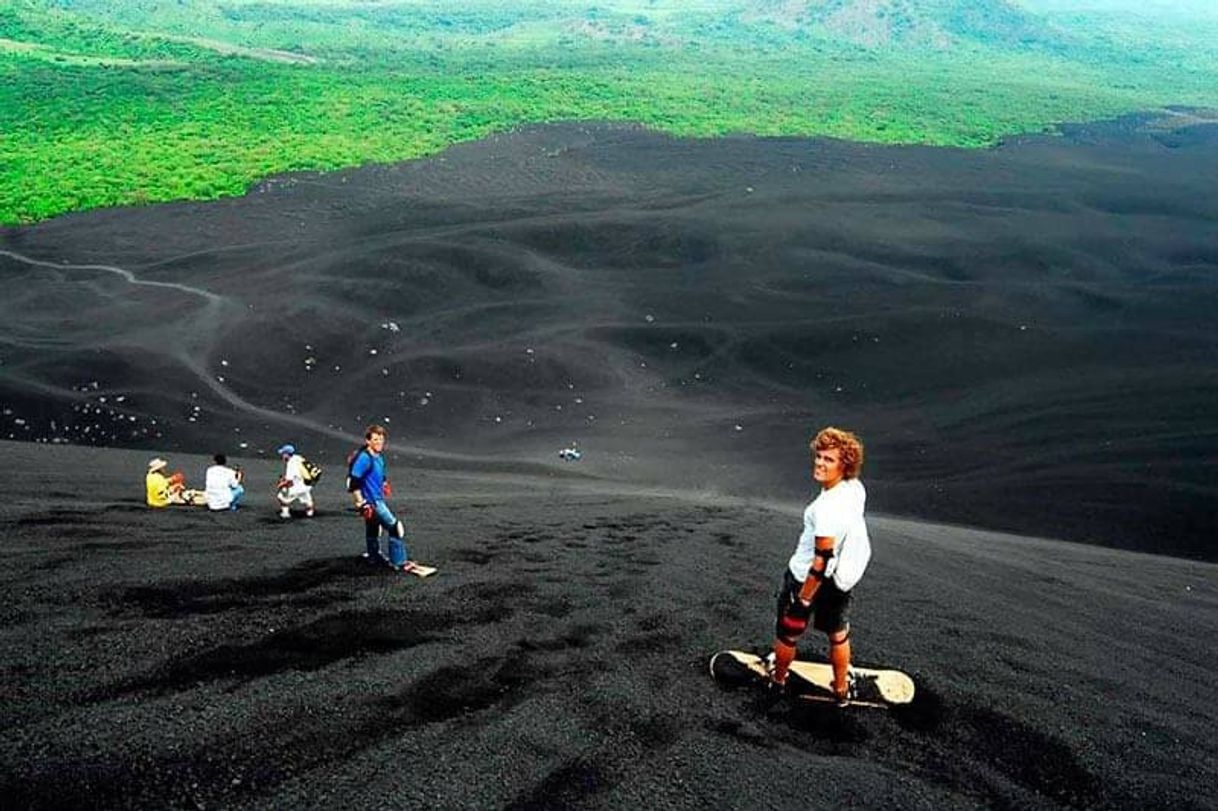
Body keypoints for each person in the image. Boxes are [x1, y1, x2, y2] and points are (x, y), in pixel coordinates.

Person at [766, 427, 872, 706]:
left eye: (829, 460)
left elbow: (821, 559)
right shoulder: (855, 489)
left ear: (844, 465)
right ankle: (840, 691)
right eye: (819, 456)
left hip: (807, 579)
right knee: (838, 633)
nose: (820, 463)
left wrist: (802, 601)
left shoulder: (824, 509)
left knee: (788, 634)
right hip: (840, 580)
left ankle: (777, 681)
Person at [348, 424, 418, 572]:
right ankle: (399, 562)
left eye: (381, 439)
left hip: (376, 497)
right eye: (375, 439)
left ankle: (374, 557)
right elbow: (353, 481)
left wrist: (384, 482)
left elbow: (380, 472)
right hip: (372, 502)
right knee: (395, 528)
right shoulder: (364, 458)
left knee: (373, 528)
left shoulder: (378, 457)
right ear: (368, 441)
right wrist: (361, 503)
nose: (379, 442)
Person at [275, 443, 315, 518]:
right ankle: (310, 513)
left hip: (297, 487)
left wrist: (280, 485)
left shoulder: (291, 464)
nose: (282, 456)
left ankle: (285, 513)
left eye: (283, 454)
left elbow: (289, 481)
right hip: (307, 485)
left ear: (287, 454)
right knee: (307, 499)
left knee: (281, 497)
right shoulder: (298, 458)